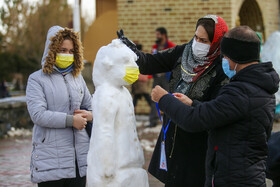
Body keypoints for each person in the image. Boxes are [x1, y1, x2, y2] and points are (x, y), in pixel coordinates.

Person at [151, 26, 279, 187]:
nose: (223, 60)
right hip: (247, 175)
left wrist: (163, 99)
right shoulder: (259, 86)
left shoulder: (241, 92)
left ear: (235, 57)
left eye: (225, 56)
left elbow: (194, 120)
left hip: (234, 180)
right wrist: (192, 103)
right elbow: (221, 113)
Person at [118, 15, 228, 186]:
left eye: (204, 40)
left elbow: (216, 111)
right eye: (196, 37)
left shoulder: (221, 68)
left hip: (198, 146)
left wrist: (191, 103)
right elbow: (150, 63)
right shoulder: (183, 52)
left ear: (216, 42)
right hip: (173, 137)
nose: (197, 43)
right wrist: (130, 50)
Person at [26, 26, 92, 187]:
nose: (67, 55)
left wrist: (90, 116)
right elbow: (38, 114)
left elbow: (91, 106)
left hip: (78, 159)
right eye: (63, 50)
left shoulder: (77, 78)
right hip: (50, 160)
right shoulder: (36, 79)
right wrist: (71, 120)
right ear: (51, 50)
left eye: (71, 51)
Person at [149, 27, 176, 127]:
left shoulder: (171, 46)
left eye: (158, 34)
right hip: (157, 77)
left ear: (163, 35)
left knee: (168, 98)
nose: (156, 36)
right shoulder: (155, 47)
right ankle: (153, 121)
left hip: (167, 77)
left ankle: (169, 121)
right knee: (153, 98)